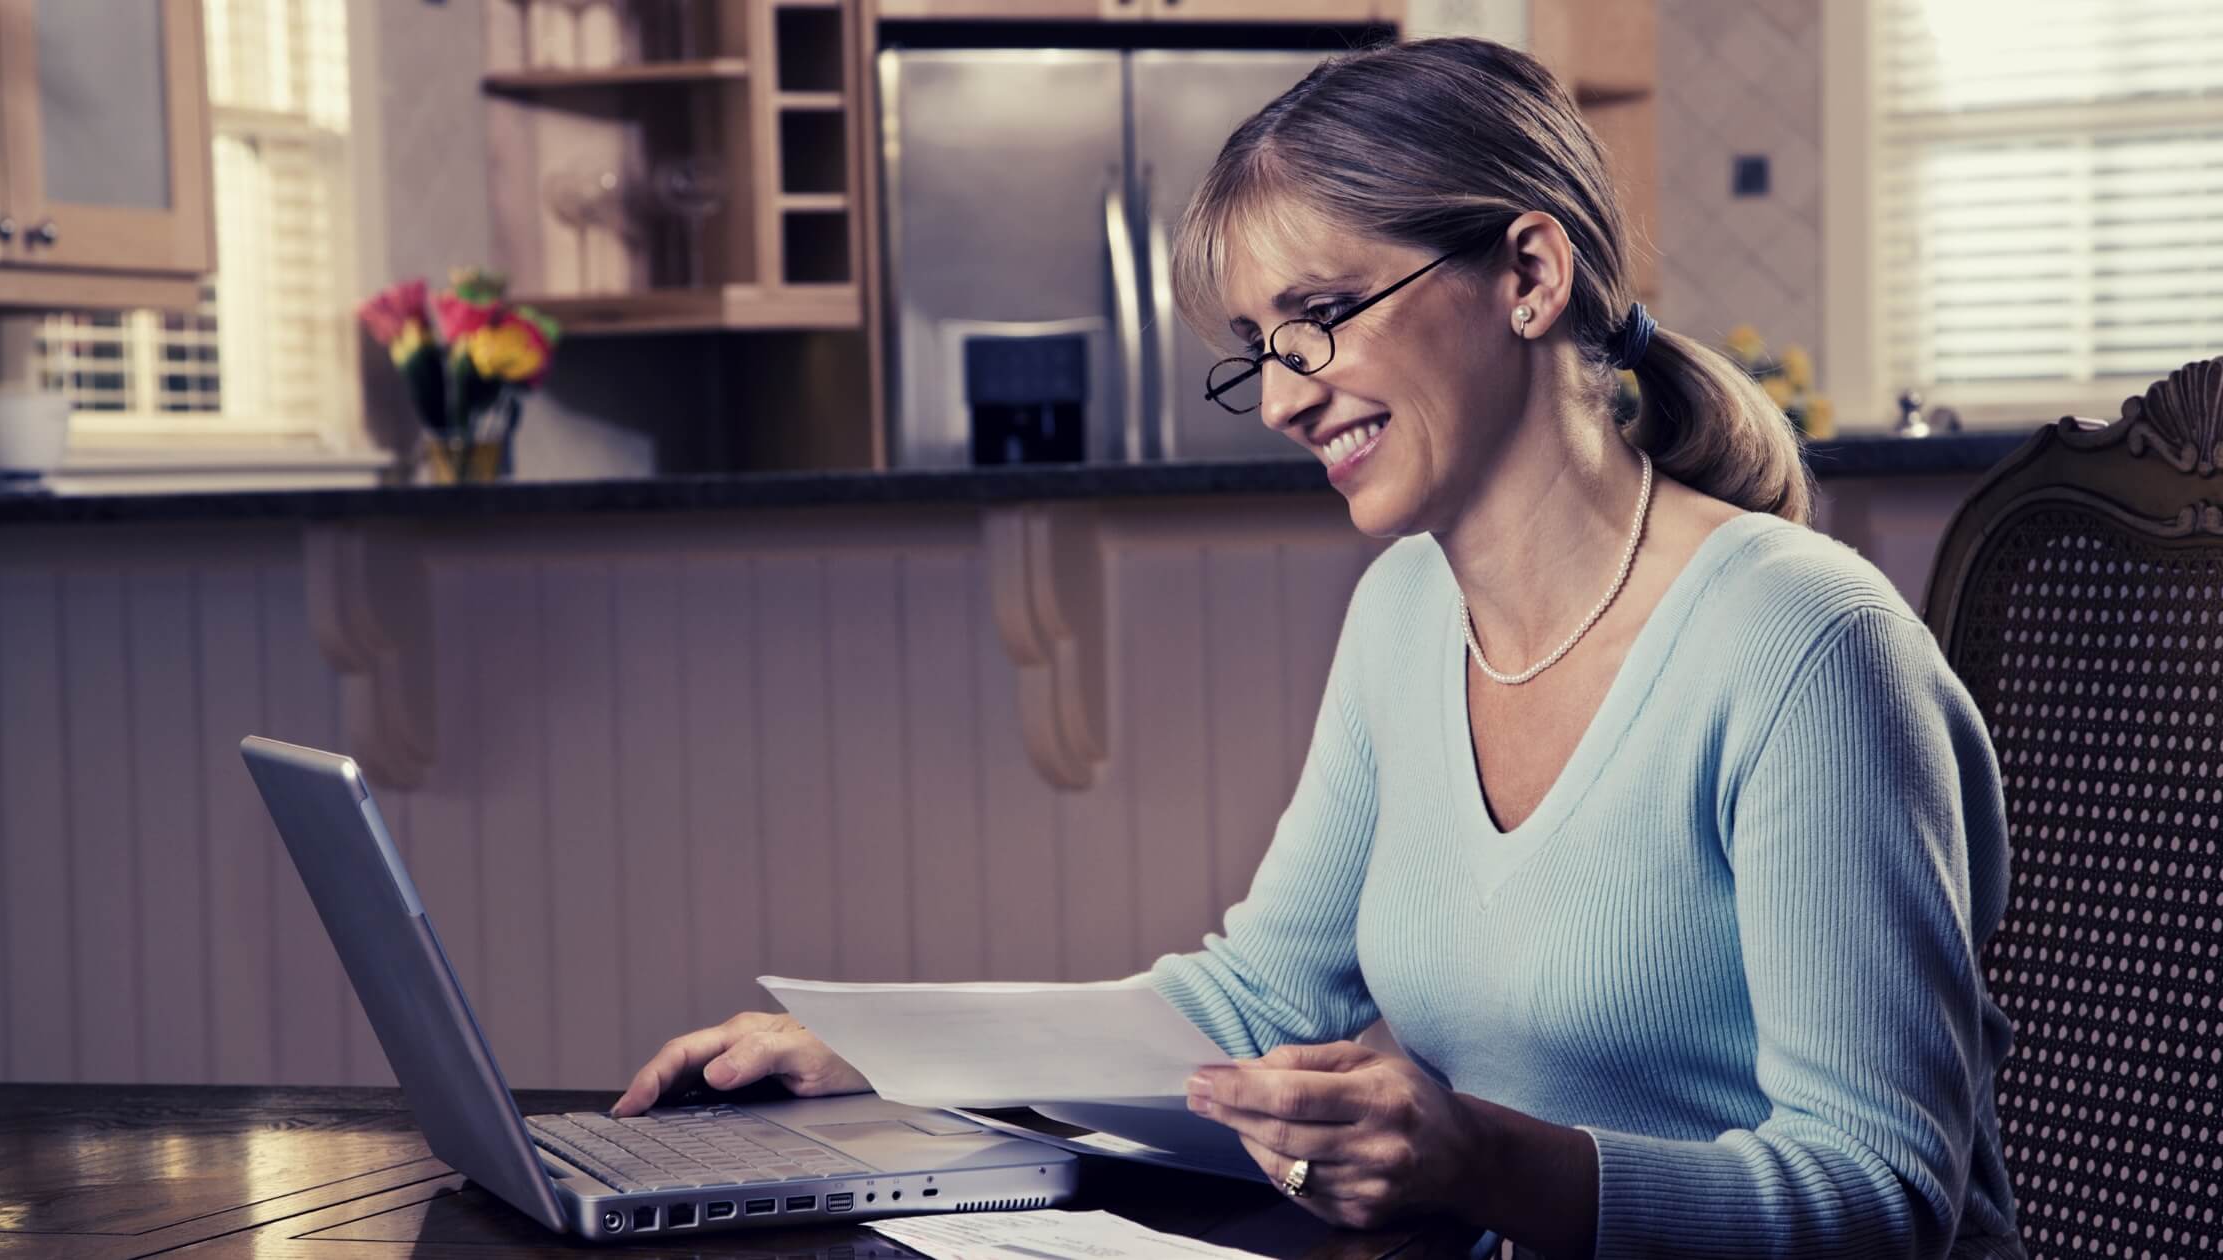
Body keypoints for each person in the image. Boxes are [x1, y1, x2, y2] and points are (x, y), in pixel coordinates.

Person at [613, 36, 2023, 1260]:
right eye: (1258, 346)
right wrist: (881, 1057)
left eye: (1320, 319)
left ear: (1529, 274)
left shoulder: (1802, 646)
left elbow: (1883, 1199)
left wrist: (1484, 1163)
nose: (1285, 397)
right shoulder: (1407, 613)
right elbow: (1255, 1000)